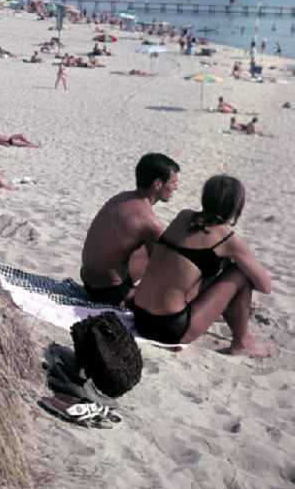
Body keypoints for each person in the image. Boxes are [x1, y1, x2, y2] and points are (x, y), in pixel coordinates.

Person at [132, 175, 271, 356]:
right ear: (236, 206)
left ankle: (232, 323)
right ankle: (242, 342)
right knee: (239, 273)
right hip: (168, 328)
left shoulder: (183, 216)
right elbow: (265, 286)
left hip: (140, 318)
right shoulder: (227, 238)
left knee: (211, 264)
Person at [80, 153, 180, 306]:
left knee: (151, 250)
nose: (176, 187)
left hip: (86, 278)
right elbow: (163, 270)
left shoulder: (121, 197)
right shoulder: (151, 223)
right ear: (158, 184)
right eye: (173, 182)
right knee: (166, 258)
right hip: (109, 293)